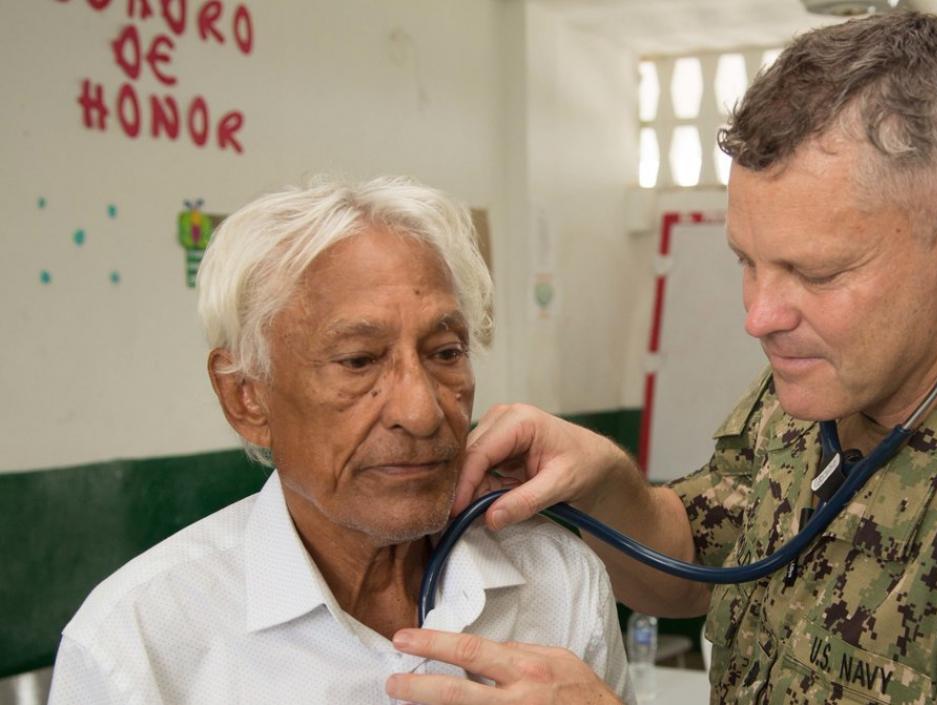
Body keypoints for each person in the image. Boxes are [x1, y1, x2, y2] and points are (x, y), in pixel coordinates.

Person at [386, 11, 937, 705]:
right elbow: (704, 565)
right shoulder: (826, 382)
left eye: (817, 270)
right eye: (746, 261)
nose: (761, 315)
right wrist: (607, 482)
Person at [46, 177, 633, 704]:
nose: (422, 412)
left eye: (447, 353)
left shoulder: (557, 578)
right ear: (246, 397)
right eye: (358, 361)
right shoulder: (140, 642)